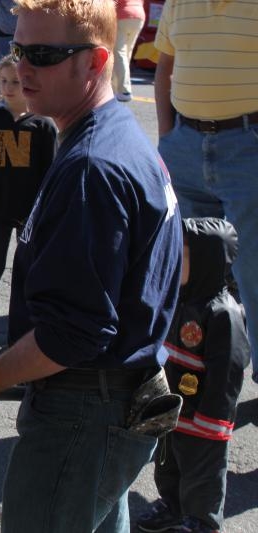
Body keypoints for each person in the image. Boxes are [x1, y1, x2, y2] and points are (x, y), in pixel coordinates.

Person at [0, 1, 183, 532]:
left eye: (44, 54)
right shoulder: (113, 136)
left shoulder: (92, 167)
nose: (23, 67)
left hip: (85, 412)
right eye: (20, 49)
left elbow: (76, 331)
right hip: (111, 407)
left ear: (95, 63)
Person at [153, 0, 258, 386]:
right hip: (185, 145)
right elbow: (164, 70)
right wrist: (168, 137)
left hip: (246, 145)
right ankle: (189, 371)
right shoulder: (179, 4)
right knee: (187, 269)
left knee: (253, 267)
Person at [137, 218, 249, 533]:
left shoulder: (222, 314)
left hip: (204, 417)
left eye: (182, 255)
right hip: (173, 409)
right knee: (168, 465)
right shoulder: (177, 299)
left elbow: (227, 373)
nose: (175, 261)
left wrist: (213, 420)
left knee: (203, 473)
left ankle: (203, 521)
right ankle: (173, 504)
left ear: (205, 262)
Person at [0, 53, 57, 357]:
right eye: (3, 81)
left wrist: (49, 215)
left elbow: (52, 176)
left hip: (32, 215)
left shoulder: (43, 126)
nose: (8, 87)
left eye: (15, 81)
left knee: (27, 273)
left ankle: (22, 333)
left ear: (29, 83)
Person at [111, 0, 144, 102]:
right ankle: (117, 89)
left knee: (118, 52)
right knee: (127, 53)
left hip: (123, 15)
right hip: (139, 16)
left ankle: (124, 90)